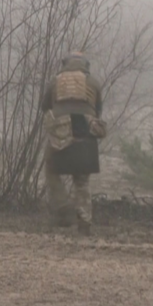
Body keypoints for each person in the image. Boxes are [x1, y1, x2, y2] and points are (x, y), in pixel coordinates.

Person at [40, 51, 106, 236]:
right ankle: (84, 223)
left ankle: (63, 208)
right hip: (85, 131)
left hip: (61, 133)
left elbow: (44, 107)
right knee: (82, 180)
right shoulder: (93, 82)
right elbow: (98, 110)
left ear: (65, 64)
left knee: (51, 167)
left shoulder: (55, 81)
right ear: (85, 65)